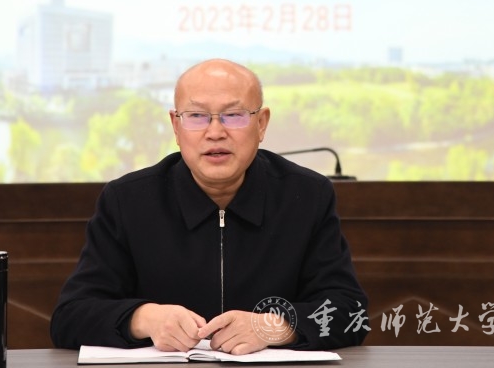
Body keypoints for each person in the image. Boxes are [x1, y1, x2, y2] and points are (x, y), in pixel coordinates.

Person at [50, 58, 369, 354]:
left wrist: (273, 326)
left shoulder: (307, 196)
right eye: (196, 116)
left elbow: (351, 313)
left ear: (261, 124)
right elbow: (69, 317)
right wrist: (144, 318)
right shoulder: (127, 201)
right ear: (175, 126)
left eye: (234, 115)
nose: (215, 132)